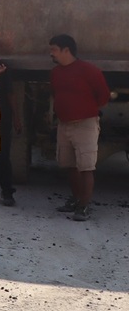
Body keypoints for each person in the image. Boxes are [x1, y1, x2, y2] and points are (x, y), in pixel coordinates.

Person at [49, 34, 110, 221]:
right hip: (64, 125)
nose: (51, 54)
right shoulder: (56, 72)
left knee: (86, 167)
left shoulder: (90, 71)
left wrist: (85, 111)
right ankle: (76, 199)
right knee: (69, 165)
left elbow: (103, 97)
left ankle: (84, 206)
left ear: (66, 50)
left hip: (85, 124)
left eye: (54, 50)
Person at [0, 58, 21, 207]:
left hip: (2, 117)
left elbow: (10, 94)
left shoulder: (1, 67)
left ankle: (6, 191)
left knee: (3, 154)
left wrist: (16, 117)